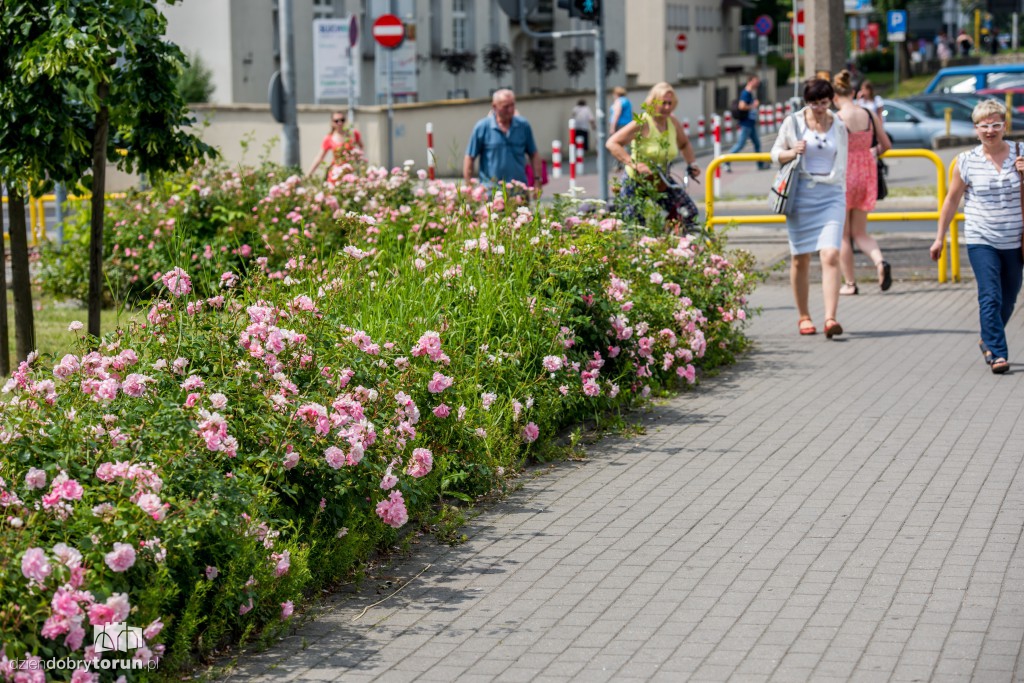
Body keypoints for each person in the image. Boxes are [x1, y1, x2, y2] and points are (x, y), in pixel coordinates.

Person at [931, 100, 1024, 375]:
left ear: (1004, 126)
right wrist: (940, 238)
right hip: (981, 238)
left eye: (996, 124)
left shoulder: (1021, 153)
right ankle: (997, 353)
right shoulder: (965, 161)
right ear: (976, 129)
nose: (990, 130)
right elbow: (951, 201)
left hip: (1015, 240)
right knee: (990, 297)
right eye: (984, 126)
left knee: (1009, 300)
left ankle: (987, 337)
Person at [771, 78, 849, 338]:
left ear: (831, 101)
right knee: (800, 258)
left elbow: (844, 161)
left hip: (831, 194)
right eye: (813, 103)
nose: (818, 107)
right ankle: (804, 316)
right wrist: (792, 151)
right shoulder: (793, 122)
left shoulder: (838, 124)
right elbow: (775, 154)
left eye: (823, 103)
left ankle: (830, 318)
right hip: (801, 194)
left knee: (830, 254)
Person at [605, 82, 701, 231]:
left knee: (688, 212)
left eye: (670, 103)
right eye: (663, 103)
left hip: (661, 180)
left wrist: (692, 164)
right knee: (635, 227)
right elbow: (612, 143)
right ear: (653, 102)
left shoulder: (672, 122)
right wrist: (633, 164)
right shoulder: (643, 121)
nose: (667, 107)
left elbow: (685, 144)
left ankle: (667, 243)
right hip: (636, 181)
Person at [833, 70, 893, 296]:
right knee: (861, 233)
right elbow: (886, 144)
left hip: (843, 175)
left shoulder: (837, 119)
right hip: (866, 173)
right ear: (854, 92)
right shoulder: (869, 114)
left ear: (834, 97)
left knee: (843, 236)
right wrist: (870, 152)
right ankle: (880, 262)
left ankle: (850, 283)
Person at [463, 89, 541, 196]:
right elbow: (470, 157)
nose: (510, 110)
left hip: (518, 191)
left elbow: (534, 154)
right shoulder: (482, 127)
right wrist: (469, 186)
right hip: (491, 193)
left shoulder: (523, 126)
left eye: (512, 105)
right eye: (505, 106)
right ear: (494, 106)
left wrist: (537, 180)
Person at [725, 75, 770, 172]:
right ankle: (726, 161)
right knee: (740, 144)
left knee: (757, 144)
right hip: (746, 124)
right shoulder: (746, 93)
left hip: (750, 123)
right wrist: (753, 105)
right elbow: (742, 106)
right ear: (750, 81)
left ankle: (760, 164)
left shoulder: (750, 93)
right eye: (755, 81)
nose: (757, 83)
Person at [307, 111, 363, 180]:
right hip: (336, 173)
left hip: (351, 171)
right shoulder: (329, 138)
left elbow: (361, 147)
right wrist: (309, 174)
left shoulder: (353, 134)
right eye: (336, 121)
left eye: (342, 120)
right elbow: (320, 157)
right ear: (332, 123)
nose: (340, 123)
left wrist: (357, 159)